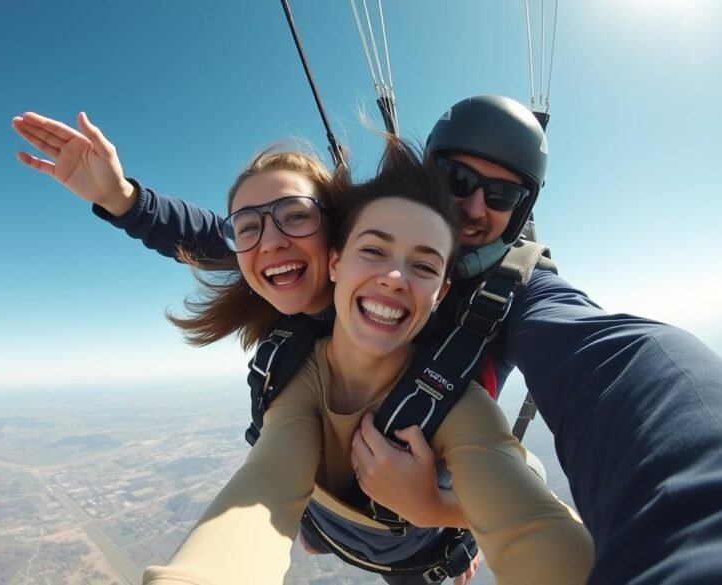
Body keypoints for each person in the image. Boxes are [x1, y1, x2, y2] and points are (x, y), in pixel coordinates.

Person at [13, 96, 722, 584]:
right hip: (329, 511)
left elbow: (606, 361)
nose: (471, 207)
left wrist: (443, 509)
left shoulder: (516, 296)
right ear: (347, 253)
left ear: (519, 217)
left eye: (498, 198)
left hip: (422, 538)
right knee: (310, 518)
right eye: (457, 178)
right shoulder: (328, 257)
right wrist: (125, 200)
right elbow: (246, 240)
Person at [142, 138, 593, 584]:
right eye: (374, 251)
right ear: (335, 262)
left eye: (423, 266)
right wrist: (128, 202)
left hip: (414, 557)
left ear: (441, 294)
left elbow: (533, 523)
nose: (394, 278)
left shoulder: (455, 404)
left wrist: (436, 510)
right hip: (328, 524)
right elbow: (266, 484)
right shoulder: (297, 376)